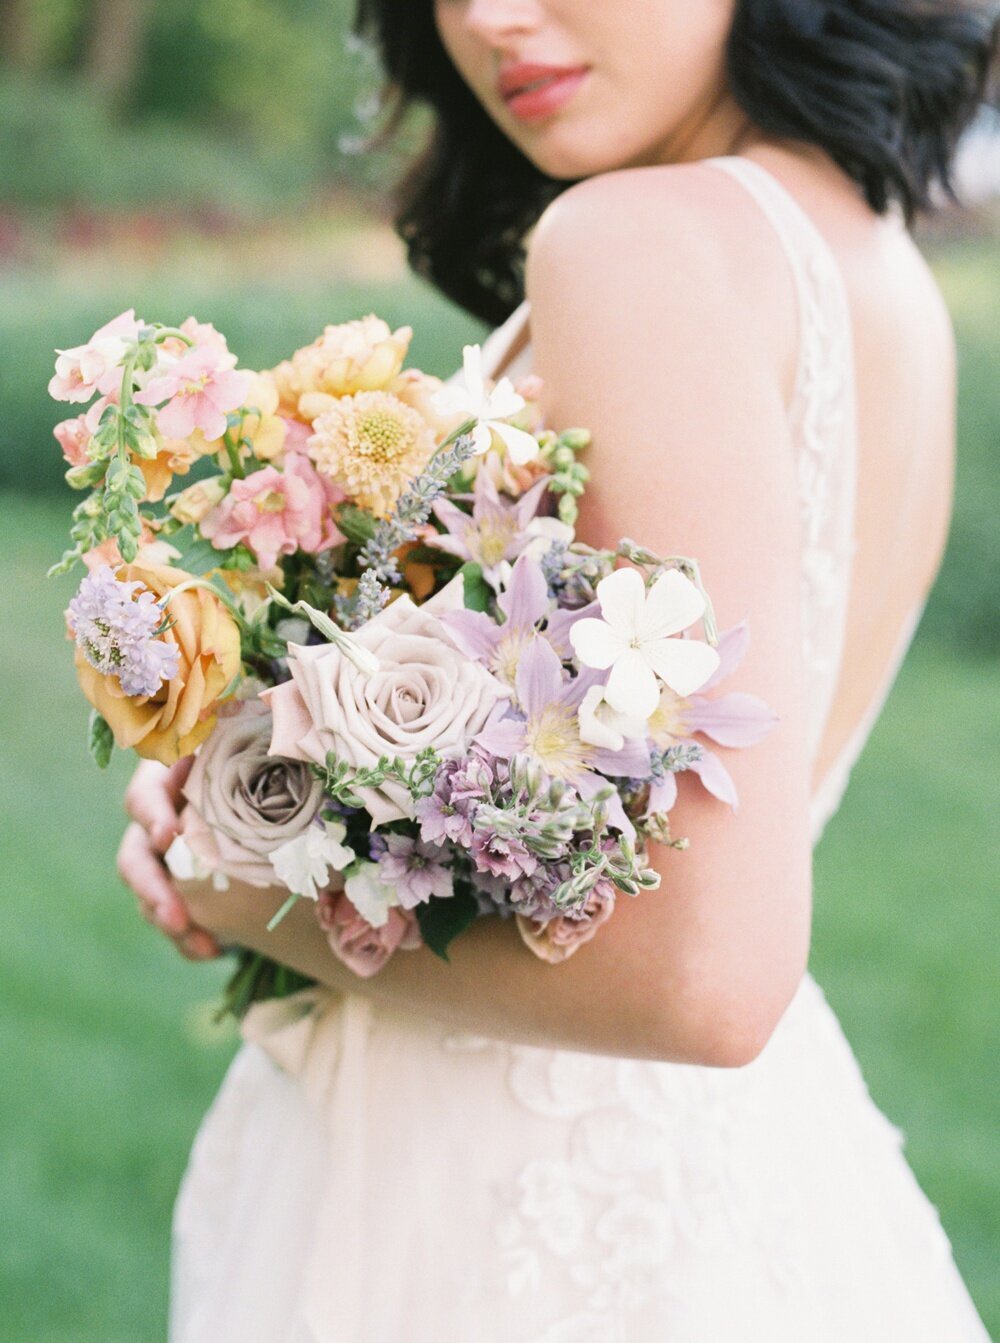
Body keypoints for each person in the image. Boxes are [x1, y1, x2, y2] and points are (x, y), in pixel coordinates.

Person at [118, 2, 997, 1339]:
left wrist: (242, 884)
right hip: (720, 1179)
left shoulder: (644, 241)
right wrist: (273, 777)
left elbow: (706, 975)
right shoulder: (867, 263)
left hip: (490, 1204)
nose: (490, 17)